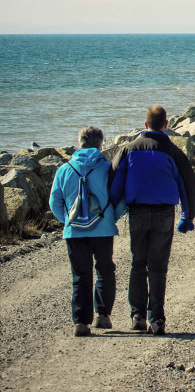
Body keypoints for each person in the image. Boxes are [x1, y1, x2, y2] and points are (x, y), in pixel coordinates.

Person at [109, 105, 195, 336]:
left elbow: (114, 184)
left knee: (138, 262)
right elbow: (188, 185)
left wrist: (110, 210)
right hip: (164, 214)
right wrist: (187, 217)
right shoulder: (173, 152)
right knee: (158, 267)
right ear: (166, 125)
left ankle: (137, 315)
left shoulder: (129, 149)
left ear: (146, 124)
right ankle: (157, 319)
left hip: (137, 212)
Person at [49, 126, 125, 337]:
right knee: (105, 271)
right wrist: (111, 218)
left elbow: (54, 202)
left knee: (80, 276)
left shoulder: (64, 170)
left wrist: (68, 221)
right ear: (101, 143)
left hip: (74, 232)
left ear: (79, 142)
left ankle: (81, 323)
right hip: (103, 229)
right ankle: (102, 315)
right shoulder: (107, 168)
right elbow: (120, 198)